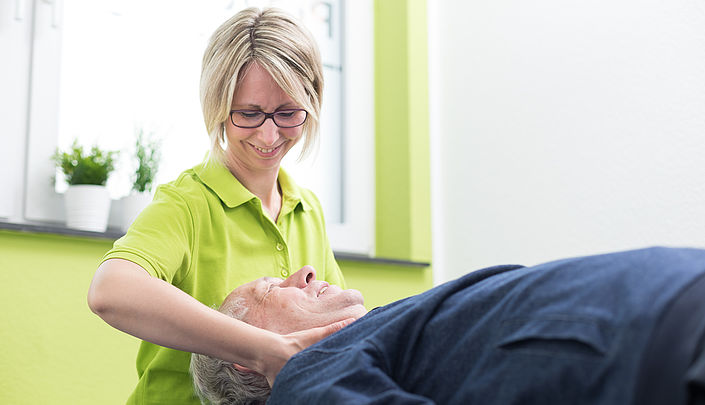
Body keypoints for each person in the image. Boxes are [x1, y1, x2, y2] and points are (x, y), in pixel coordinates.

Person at [86, 7, 350, 405]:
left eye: (288, 112)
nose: (269, 133)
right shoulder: (188, 203)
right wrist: (263, 350)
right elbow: (110, 291)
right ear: (218, 108)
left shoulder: (306, 208)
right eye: (249, 113)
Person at [190, 247, 705, 405]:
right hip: (660, 340)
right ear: (246, 349)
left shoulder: (371, 340)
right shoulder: (305, 375)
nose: (304, 273)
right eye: (269, 288)